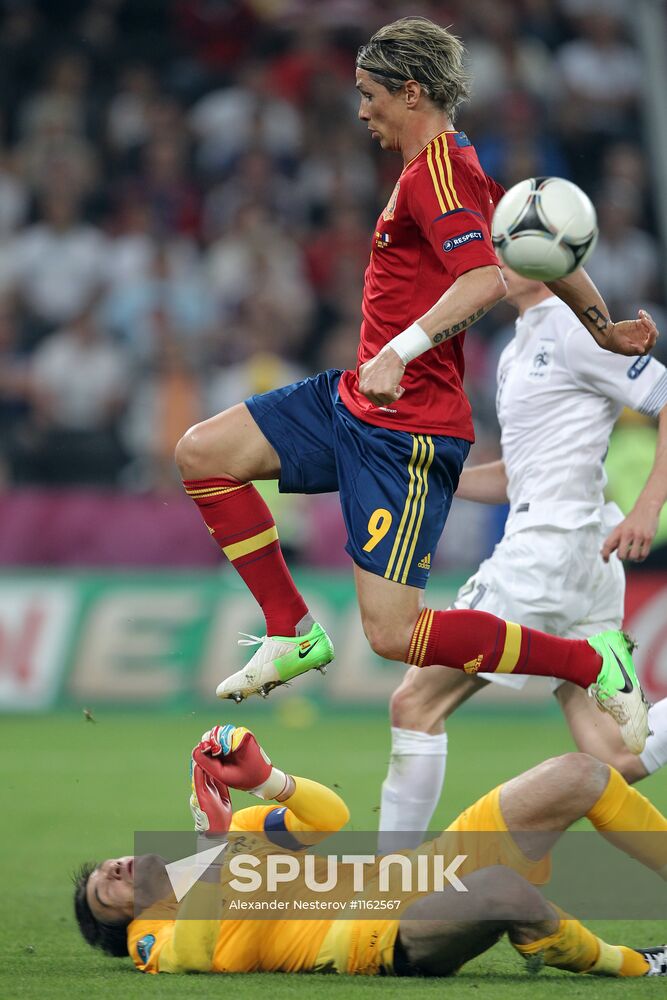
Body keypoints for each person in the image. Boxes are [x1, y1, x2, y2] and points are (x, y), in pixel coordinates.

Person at [174, 17, 658, 752]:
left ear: (409, 92)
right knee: (203, 453)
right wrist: (603, 328)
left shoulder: (438, 172)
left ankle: (592, 662)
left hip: (406, 427)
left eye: (369, 94)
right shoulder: (456, 170)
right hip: (355, 400)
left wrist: (399, 352)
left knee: (393, 635)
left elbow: (484, 279)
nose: (360, 110)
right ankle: (290, 628)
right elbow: (540, 250)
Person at [378, 269, 667, 851]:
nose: (493, 261)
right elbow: (519, 475)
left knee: (416, 702)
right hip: (581, 554)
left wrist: (648, 506)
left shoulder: (575, 328)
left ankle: (389, 883)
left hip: (548, 550)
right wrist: (439, 478)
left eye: (506, 246)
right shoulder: (516, 350)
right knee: (616, 753)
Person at [73, 722, 667, 978]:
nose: (114, 868)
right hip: (375, 934)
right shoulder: (150, 938)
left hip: (420, 870)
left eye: (107, 865)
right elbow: (194, 958)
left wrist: (267, 781)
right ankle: (638, 964)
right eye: (107, 889)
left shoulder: (241, 830)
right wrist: (210, 841)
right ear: (122, 922)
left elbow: (329, 818)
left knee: (579, 774)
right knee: (503, 892)